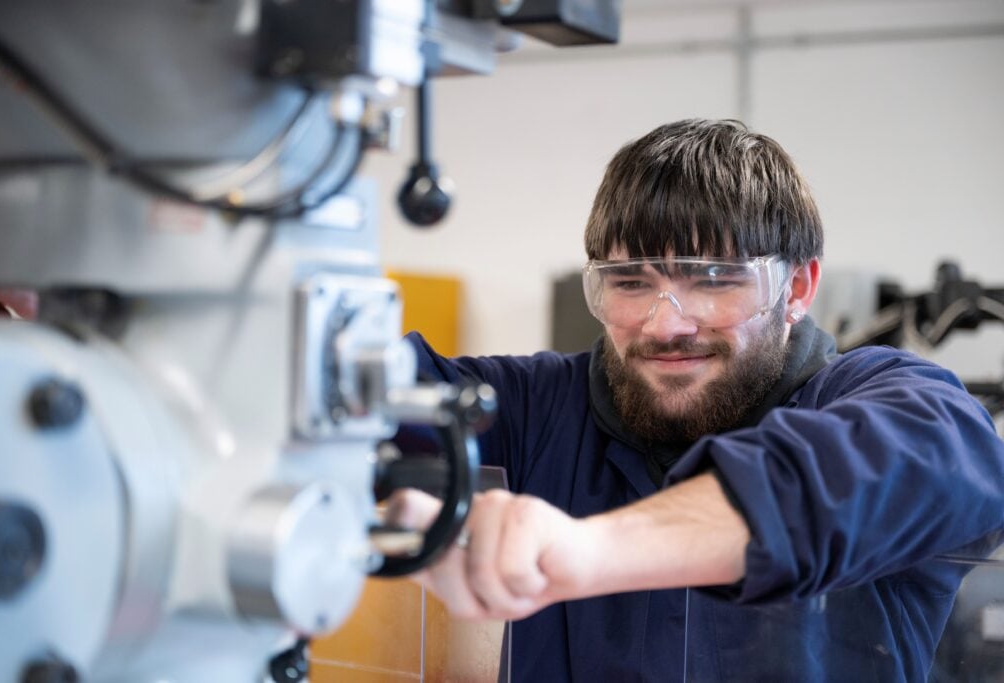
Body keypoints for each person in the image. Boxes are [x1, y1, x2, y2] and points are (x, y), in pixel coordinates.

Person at [388, 119, 1004, 681]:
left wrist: (587, 550)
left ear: (797, 287)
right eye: (630, 282)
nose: (666, 325)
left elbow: (943, 453)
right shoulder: (536, 411)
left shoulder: (884, 398)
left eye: (713, 281)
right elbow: (347, 396)